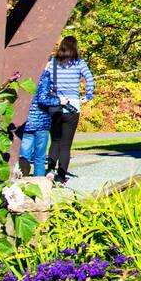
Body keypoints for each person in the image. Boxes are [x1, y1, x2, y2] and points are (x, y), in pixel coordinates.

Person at [37, 36, 94, 184]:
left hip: (54, 105)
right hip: (72, 106)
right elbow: (89, 79)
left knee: (55, 141)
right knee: (66, 144)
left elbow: (42, 79)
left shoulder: (52, 63)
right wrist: (88, 96)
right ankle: (61, 176)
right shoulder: (79, 63)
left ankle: (50, 171)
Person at [17, 99, 52, 177]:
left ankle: (23, 178)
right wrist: (58, 100)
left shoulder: (25, 91)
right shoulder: (45, 90)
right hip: (42, 124)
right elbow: (46, 100)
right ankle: (39, 179)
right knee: (40, 157)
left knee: (24, 156)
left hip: (27, 123)